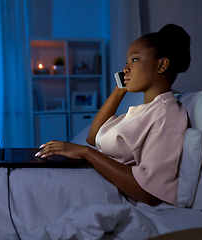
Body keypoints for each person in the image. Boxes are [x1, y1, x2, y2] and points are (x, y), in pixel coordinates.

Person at [35, 23, 191, 207]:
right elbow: (93, 137)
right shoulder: (142, 110)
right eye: (126, 62)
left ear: (162, 65)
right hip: (90, 179)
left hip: (103, 190)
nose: (125, 68)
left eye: (134, 60)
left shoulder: (166, 114)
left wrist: (86, 153)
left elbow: (149, 192)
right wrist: (120, 90)